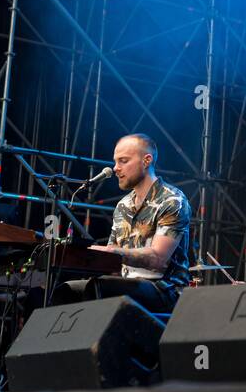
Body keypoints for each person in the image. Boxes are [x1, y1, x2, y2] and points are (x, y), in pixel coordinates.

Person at [53, 133, 191, 314]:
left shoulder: (172, 200)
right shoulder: (123, 205)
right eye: (115, 161)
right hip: (127, 285)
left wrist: (112, 251)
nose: (115, 168)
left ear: (146, 160)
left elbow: (158, 259)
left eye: (123, 161)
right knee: (67, 290)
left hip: (165, 289)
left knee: (98, 289)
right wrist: (82, 254)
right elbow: (111, 262)